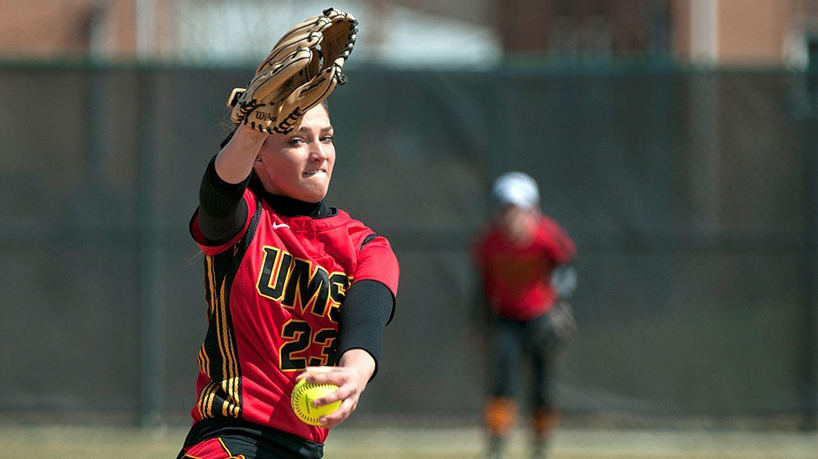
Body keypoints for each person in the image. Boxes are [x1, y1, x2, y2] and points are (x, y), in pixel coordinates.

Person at [175, 99, 400, 457]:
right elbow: (218, 195)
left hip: (305, 449)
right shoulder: (246, 219)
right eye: (297, 141)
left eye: (326, 138)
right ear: (259, 157)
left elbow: (365, 323)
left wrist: (354, 376)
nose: (318, 154)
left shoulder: (366, 246)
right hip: (231, 438)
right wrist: (250, 130)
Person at [472, 172, 577, 459]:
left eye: (517, 209)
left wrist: (560, 305)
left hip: (541, 318)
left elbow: (565, 268)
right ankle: (497, 443)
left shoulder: (546, 237)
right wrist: (480, 323)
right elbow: (482, 286)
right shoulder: (491, 243)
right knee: (502, 381)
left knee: (542, 386)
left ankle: (541, 445)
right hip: (506, 318)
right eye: (505, 209)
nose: (511, 217)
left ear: (532, 210)